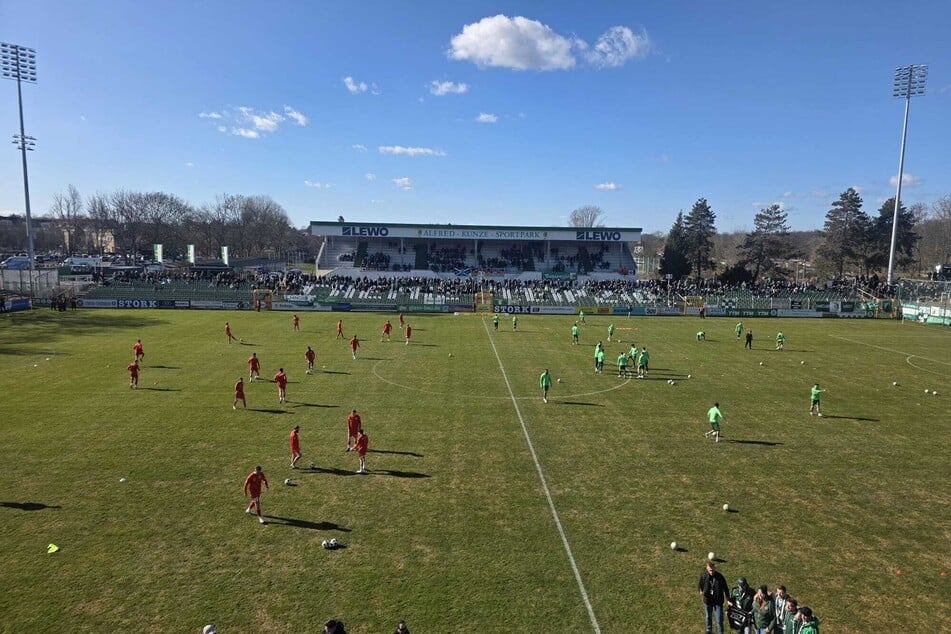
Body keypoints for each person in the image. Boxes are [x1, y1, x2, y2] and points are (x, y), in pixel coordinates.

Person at [698, 561, 729, 634]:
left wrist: (728, 599)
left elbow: (725, 588)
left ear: (715, 568)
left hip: (718, 601)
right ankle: (709, 630)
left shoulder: (720, 577)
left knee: (719, 619)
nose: (711, 572)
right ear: (707, 569)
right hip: (708, 601)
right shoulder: (704, 576)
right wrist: (700, 591)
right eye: (709, 570)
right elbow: (700, 585)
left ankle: (720, 632)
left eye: (712, 570)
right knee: (708, 617)